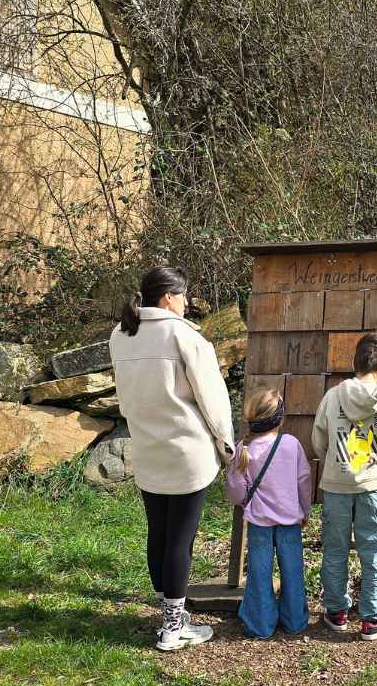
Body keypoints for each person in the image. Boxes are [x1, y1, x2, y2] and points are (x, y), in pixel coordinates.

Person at [110, 266, 235, 652]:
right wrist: (227, 446)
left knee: (159, 532)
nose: (186, 303)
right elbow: (213, 402)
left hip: (147, 448)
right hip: (187, 452)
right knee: (181, 540)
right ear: (168, 297)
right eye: (184, 296)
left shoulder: (120, 336)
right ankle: (172, 628)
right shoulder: (185, 337)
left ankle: (171, 609)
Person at [312, 331, 377, 641]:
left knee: (335, 551)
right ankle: (372, 620)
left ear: (354, 364)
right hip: (372, 488)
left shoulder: (332, 396)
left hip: (336, 485)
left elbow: (319, 440)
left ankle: (336, 612)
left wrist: (332, 464)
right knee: (372, 552)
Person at [225, 389, 312, 639]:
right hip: (290, 522)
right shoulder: (291, 444)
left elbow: (234, 488)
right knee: (293, 571)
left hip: (259, 522)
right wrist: (304, 510)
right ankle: (295, 622)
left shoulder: (244, 447)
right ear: (280, 419)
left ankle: (260, 625)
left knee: (259, 573)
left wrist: (245, 502)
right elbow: (304, 481)